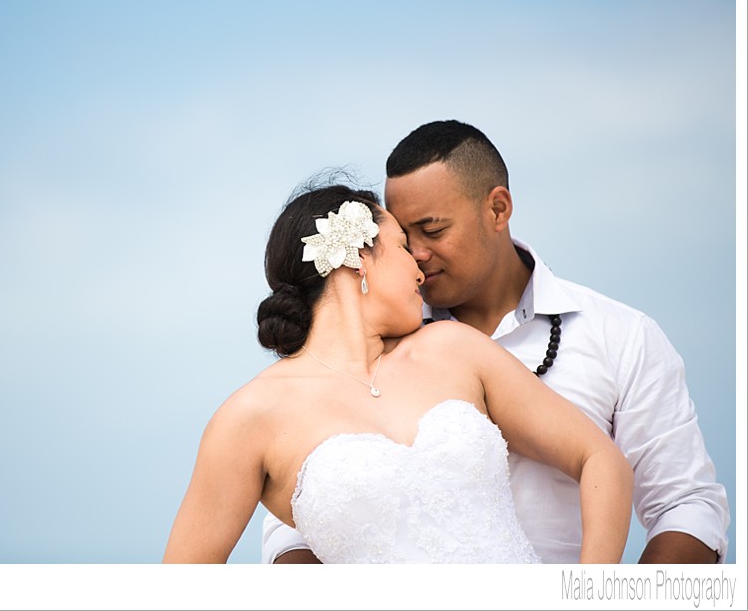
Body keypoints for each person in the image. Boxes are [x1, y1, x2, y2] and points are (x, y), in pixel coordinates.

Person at [262, 120, 730, 565]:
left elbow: (685, 505)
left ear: (498, 209)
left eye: (434, 230)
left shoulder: (621, 336)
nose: (418, 254)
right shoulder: (363, 349)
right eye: (404, 241)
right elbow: (295, 517)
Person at [164, 182, 633, 564]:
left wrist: (586, 598)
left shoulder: (455, 349)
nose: (420, 270)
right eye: (405, 247)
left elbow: (601, 459)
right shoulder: (250, 417)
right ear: (359, 257)